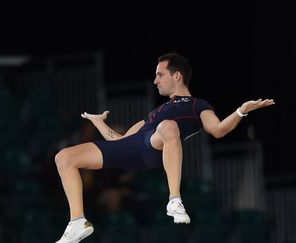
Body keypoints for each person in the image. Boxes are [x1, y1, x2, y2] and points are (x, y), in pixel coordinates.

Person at [53, 52, 275, 243]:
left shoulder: (198, 105)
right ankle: (77, 222)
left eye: (160, 75)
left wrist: (241, 111)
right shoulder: (154, 112)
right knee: (64, 158)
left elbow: (217, 130)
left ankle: (174, 200)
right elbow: (120, 141)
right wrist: (99, 123)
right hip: (133, 147)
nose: (155, 81)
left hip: (154, 148)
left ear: (177, 76)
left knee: (168, 127)